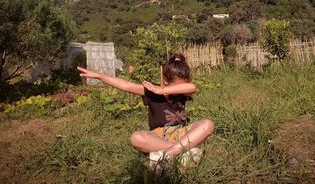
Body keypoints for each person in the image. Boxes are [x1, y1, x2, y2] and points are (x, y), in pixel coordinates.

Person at [77, 54, 214, 172]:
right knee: (136, 138)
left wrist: (162, 90)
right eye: (176, 86)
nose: (178, 89)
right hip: (158, 136)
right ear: (165, 82)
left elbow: (192, 87)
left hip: (182, 133)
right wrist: (99, 76)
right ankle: (183, 152)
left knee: (208, 124)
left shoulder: (182, 92)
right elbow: (126, 85)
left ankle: (166, 155)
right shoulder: (150, 90)